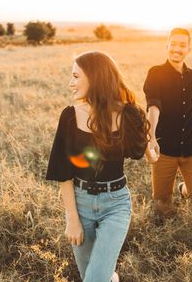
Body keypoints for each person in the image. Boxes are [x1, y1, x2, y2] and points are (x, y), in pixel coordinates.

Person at [46, 51, 156, 282]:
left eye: (76, 76)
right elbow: (63, 173)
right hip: (81, 203)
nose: (70, 83)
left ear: (95, 78)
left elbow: (141, 151)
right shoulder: (69, 116)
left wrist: (151, 149)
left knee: (95, 278)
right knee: (93, 275)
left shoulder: (127, 114)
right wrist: (72, 219)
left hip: (116, 204)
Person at [143, 28, 192, 216]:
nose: (177, 49)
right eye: (173, 44)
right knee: (163, 207)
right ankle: (168, 195)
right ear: (167, 45)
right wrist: (152, 137)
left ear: (189, 49)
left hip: (190, 146)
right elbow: (153, 107)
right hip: (165, 149)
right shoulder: (155, 73)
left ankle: (183, 188)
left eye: (182, 45)